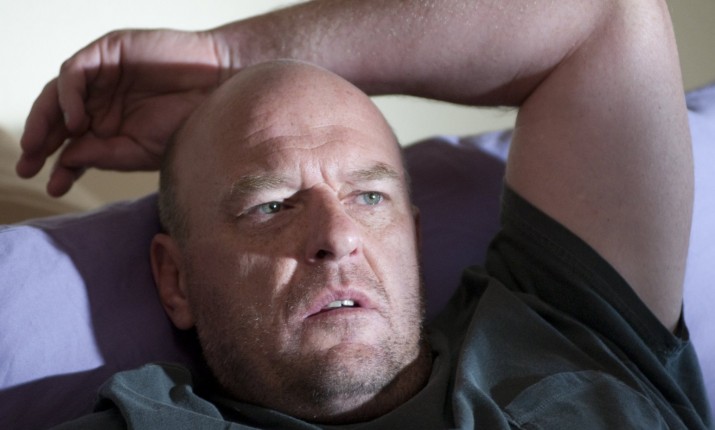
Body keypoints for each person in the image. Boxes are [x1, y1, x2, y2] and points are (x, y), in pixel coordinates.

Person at [18, 0, 712, 428]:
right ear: (175, 281)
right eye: (271, 205)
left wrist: (227, 57)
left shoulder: (567, 325)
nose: (338, 235)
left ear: (415, 234)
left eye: (369, 197)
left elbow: (601, 12)